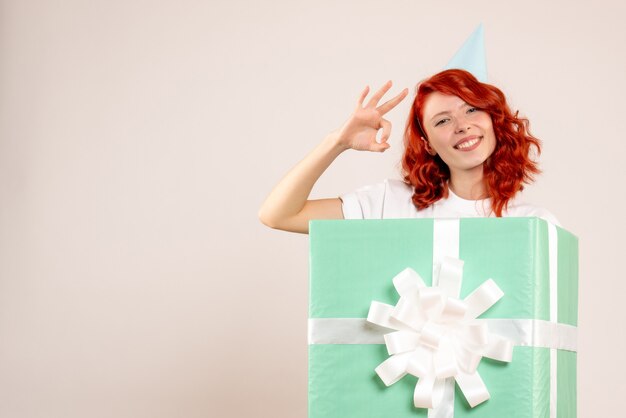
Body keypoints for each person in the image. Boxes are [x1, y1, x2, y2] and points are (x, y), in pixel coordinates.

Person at [258, 69, 558, 234]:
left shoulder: (534, 226)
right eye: (443, 120)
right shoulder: (390, 205)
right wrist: (336, 142)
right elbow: (279, 215)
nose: (462, 125)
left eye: (472, 110)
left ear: (494, 121)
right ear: (427, 143)